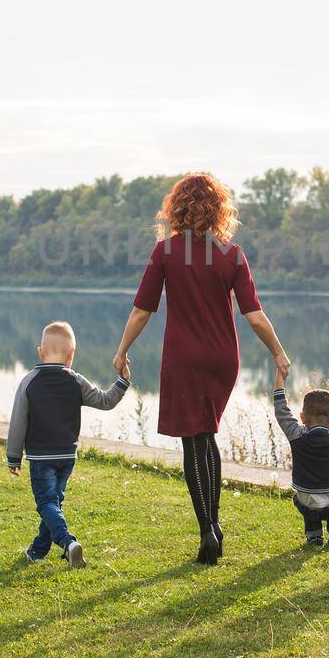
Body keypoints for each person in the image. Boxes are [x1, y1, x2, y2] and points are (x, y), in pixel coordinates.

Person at [113, 173, 291, 565]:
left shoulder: (165, 253)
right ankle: (214, 525)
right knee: (206, 432)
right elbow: (255, 316)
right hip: (222, 358)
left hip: (183, 356)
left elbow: (143, 310)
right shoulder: (232, 254)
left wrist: (123, 350)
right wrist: (278, 353)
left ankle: (208, 529)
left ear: (176, 207)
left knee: (194, 441)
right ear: (219, 210)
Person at [6, 321, 131, 568]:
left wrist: (13, 457)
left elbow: (17, 422)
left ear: (40, 351)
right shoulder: (76, 381)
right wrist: (123, 381)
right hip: (67, 457)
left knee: (47, 503)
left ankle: (68, 543)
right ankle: (37, 551)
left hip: (41, 459)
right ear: (72, 355)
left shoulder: (29, 382)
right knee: (54, 503)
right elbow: (105, 401)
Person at [272, 367, 329, 547]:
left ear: (303, 417)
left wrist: (279, 376)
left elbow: (281, 411)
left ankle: (314, 535)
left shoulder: (297, 435)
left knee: (305, 498)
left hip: (306, 502)